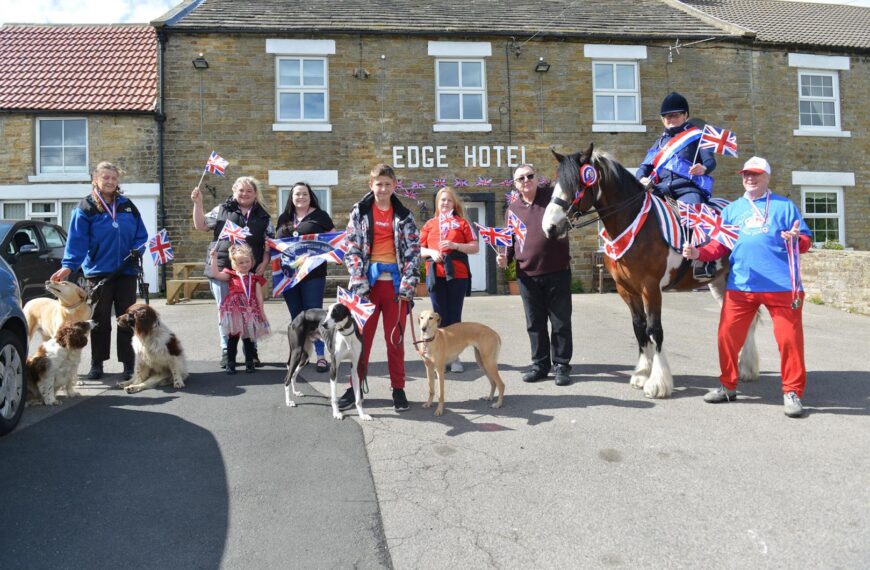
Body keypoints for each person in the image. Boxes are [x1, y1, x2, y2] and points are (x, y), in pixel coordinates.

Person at [682, 157, 812, 418]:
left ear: (767, 177)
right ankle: (728, 386)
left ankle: (792, 392)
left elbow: (806, 241)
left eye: (756, 175)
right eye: (745, 175)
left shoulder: (785, 207)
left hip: (782, 286)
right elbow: (719, 246)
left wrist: (796, 240)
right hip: (741, 286)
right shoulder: (732, 210)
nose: (750, 179)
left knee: (789, 341)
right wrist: (698, 251)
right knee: (726, 338)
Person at [51, 161, 148, 381]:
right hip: (98, 272)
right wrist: (68, 266)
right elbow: (77, 241)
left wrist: (137, 250)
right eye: (106, 178)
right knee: (99, 320)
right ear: (95, 179)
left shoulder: (128, 206)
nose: (110, 182)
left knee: (127, 318)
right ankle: (97, 364)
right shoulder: (85, 207)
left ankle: (128, 365)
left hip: (126, 271)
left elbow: (141, 235)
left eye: (114, 178)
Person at [339, 163, 420, 412]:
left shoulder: (405, 215)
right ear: (370, 185)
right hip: (367, 288)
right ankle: (355, 387)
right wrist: (359, 281)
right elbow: (351, 248)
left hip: (396, 288)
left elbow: (413, 252)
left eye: (387, 184)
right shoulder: (359, 213)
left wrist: (408, 284)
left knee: (395, 341)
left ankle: (398, 388)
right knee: (361, 342)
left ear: (394, 186)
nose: (383, 188)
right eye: (378, 184)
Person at [496, 164, 572, 386]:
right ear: (515, 184)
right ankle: (540, 364)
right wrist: (504, 258)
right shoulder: (512, 210)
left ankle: (561, 365)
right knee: (535, 323)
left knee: (560, 322)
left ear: (537, 178)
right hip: (527, 275)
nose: (526, 180)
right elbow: (509, 241)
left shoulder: (552, 197)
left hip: (557, 270)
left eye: (530, 176)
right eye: (521, 178)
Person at [191, 176, 273, 368]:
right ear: (234, 191)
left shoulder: (263, 216)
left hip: (249, 271)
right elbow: (201, 225)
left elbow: (269, 243)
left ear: (255, 194)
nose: (244, 194)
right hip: (222, 268)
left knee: (250, 310)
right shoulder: (222, 209)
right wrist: (198, 203)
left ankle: (251, 350)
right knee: (225, 311)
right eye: (241, 190)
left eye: (249, 191)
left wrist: (264, 263)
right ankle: (227, 350)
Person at [636, 91, 717, 278]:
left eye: (675, 115)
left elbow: (711, 161)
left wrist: (703, 168)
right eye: (666, 116)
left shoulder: (697, 137)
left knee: (695, 211)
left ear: (685, 115)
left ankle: (703, 261)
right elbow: (643, 167)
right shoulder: (660, 143)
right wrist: (642, 179)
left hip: (686, 189)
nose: (670, 119)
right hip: (660, 190)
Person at [275, 182, 335, 373]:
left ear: (310, 196)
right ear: (291, 197)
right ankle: (299, 353)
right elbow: (277, 244)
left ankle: (321, 356)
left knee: (315, 315)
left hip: (313, 275)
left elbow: (334, 241)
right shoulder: (284, 218)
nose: (300, 197)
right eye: (297, 194)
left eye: (304, 194)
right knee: (296, 318)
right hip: (288, 277)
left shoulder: (320, 216)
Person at [419, 186, 479, 373]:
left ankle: (454, 357)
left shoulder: (461, 223)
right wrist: (431, 252)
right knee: (437, 316)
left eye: (449, 200)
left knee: (454, 316)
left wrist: (455, 245)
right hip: (435, 274)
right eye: (442, 200)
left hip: (457, 275)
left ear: (455, 203)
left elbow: (475, 247)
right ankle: (440, 356)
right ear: (437, 203)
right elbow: (417, 249)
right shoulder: (430, 224)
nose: (445, 203)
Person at [208, 243, 271, 374]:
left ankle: (249, 363)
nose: (245, 264)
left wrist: (262, 312)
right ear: (234, 264)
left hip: (249, 311)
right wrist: (214, 258)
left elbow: (259, 296)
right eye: (241, 262)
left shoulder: (255, 278)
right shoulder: (231, 275)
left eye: (247, 261)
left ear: (252, 261)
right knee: (233, 338)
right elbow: (215, 274)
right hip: (235, 312)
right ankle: (231, 363)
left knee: (248, 339)